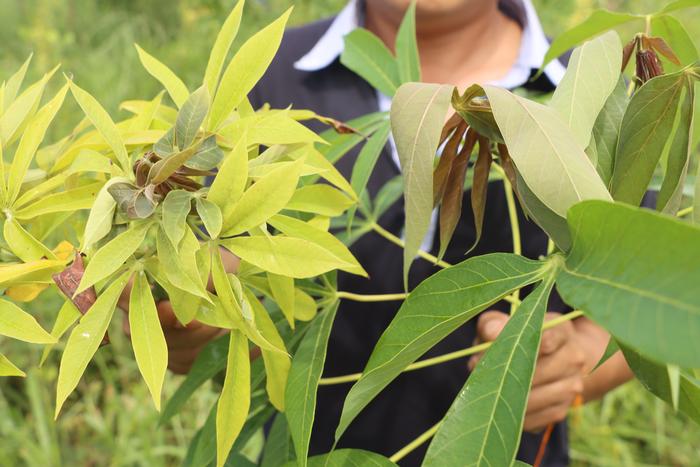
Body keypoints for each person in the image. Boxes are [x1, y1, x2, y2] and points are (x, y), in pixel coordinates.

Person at [141, 0, 635, 464]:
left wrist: (584, 360)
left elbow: (645, 293)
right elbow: (205, 273)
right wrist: (186, 314)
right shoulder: (268, 76)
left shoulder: (591, 88)